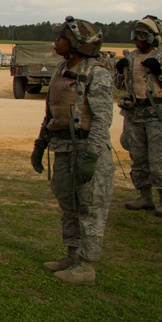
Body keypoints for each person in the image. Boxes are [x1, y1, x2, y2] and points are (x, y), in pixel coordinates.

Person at [30, 16, 114, 286]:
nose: (56, 42)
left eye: (61, 38)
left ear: (77, 43)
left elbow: (102, 118)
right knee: (69, 204)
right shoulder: (61, 69)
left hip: (87, 149)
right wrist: (40, 144)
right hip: (63, 147)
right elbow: (50, 112)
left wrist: (92, 156)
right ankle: (72, 255)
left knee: (90, 207)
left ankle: (87, 266)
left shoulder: (96, 73)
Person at [113, 15, 162, 217]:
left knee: (158, 158)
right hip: (134, 113)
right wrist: (119, 71)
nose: (137, 38)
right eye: (135, 34)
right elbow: (119, 85)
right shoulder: (131, 58)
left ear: (154, 37)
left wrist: (160, 72)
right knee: (138, 156)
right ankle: (145, 196)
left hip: (157, 115)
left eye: (143, 34)